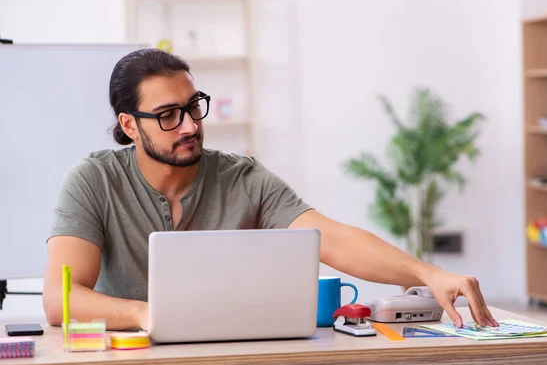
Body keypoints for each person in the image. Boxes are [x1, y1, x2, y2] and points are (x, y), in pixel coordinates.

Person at [42, 48, 498, 331]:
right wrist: (146, 314)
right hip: (129, 360)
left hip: (235, 354)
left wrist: (427, 275)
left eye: (193, 107)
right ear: (128, 125)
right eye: (167, 115)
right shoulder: (92, 181)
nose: (189, 125)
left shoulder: (243, 177)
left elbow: (333, 239)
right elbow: (62, 301)